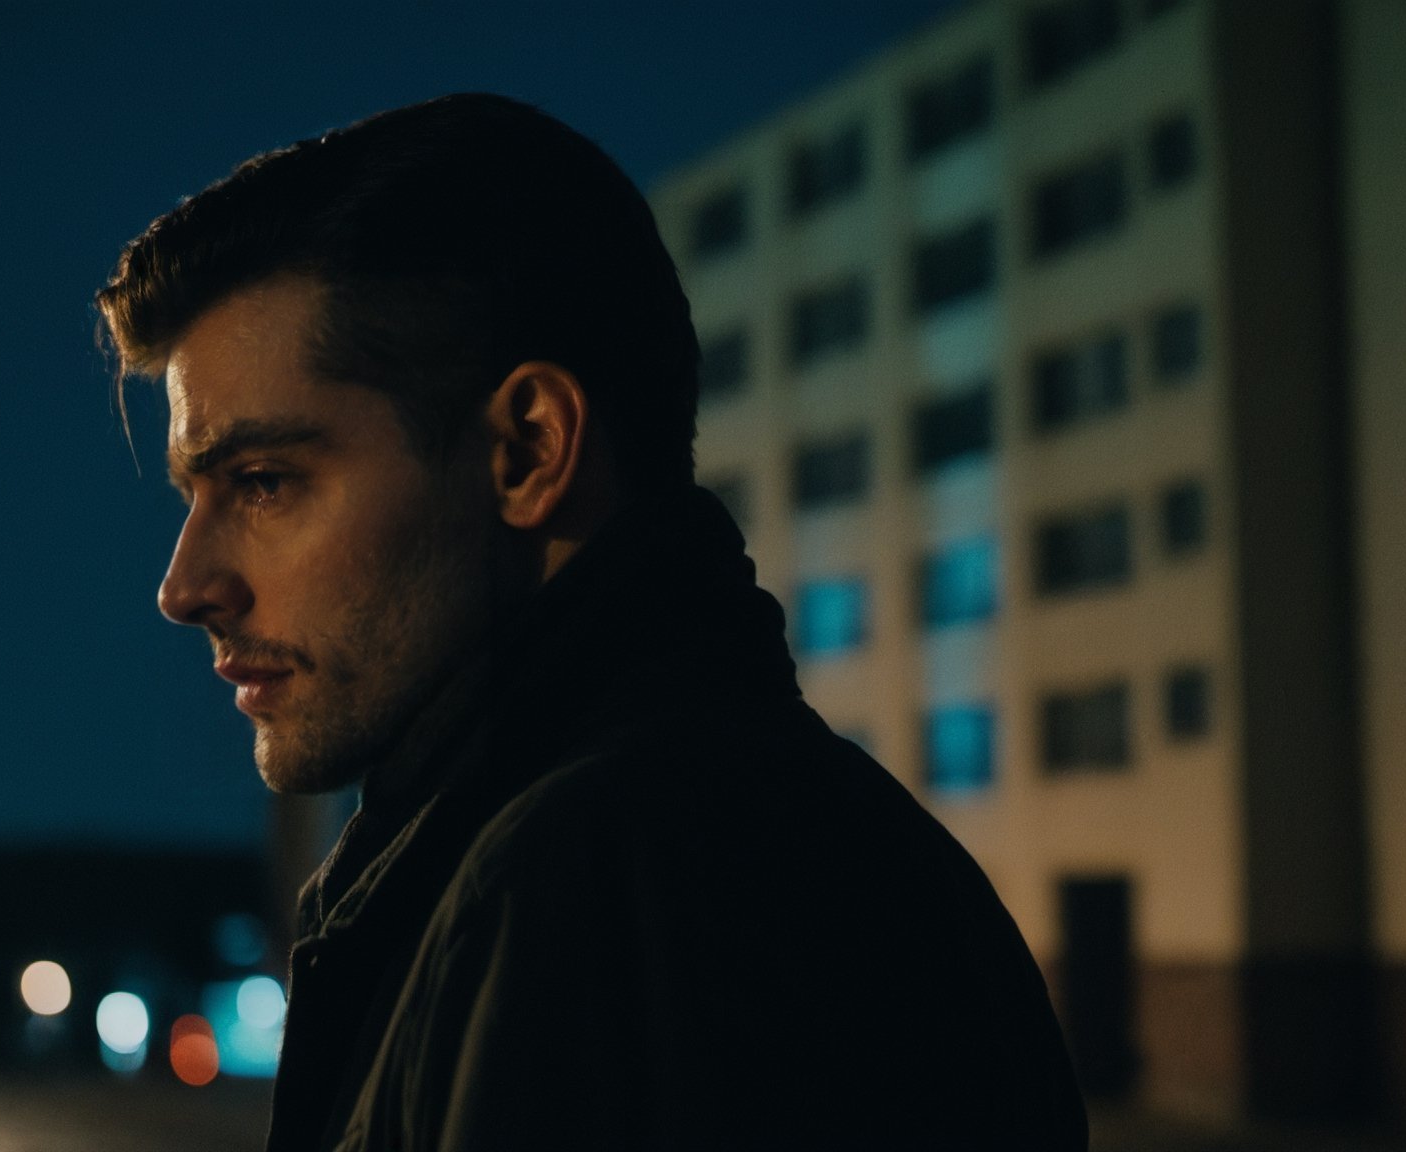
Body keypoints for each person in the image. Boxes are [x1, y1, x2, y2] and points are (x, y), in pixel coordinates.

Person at [96, 93, 1087, 1152]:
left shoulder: (592, 887)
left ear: (528, 450)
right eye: (192, 495)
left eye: (263, 481)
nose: (185, 584)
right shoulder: (829, 843)